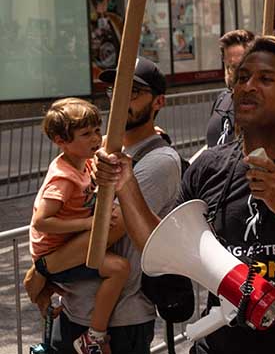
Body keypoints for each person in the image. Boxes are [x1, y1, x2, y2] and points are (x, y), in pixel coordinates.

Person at [94, 36, 275, 353]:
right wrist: (125, 181)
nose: (248, 86)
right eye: (242, 77)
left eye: (265, 79)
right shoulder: (210, 167)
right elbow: (163, 243)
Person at [47, 58, 184, 354]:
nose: (121, 98)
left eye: (133, 91)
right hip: (75, 310)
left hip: (118, 322)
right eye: (115, 90)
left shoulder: (158, 162)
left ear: (158, 101)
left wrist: (43, 267)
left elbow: (109, 231)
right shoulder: (103, 147)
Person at [27, 98, 129, 354]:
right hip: (56, 253)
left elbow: (106, 142)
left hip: (70, 243)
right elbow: (41, 221)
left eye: (97, 130)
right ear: (61, 141)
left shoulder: (80, 158)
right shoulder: (62, 179)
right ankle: (94, 338)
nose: (96, 138)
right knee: (119, 267)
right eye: (86, 134)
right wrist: (89, 223)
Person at [207, 29, 255, 147]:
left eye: (238, 66)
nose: (232, 73)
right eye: (229, 66)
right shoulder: (222, 100)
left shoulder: (259, 105)